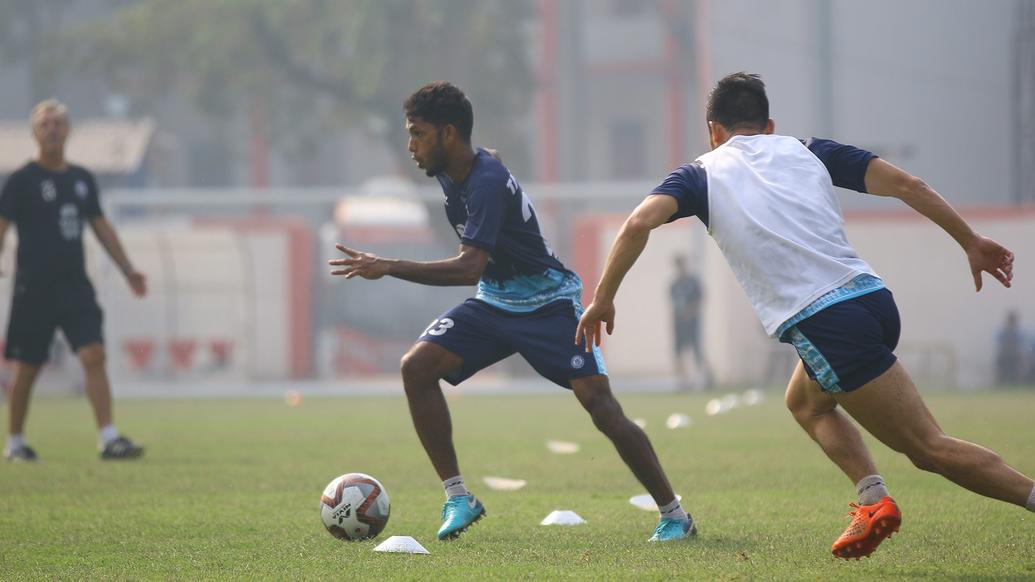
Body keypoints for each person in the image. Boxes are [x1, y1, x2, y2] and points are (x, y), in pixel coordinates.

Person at [576, 72, 1035, 559]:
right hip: (873, 300)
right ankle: (873, 500)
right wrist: (971, 241)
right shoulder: (808, 149)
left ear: (712, 130)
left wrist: (603, 297)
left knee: (928, 448)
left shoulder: (700, 174)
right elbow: (908, 184)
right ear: (769, 125)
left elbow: (638, 222)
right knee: (806, 402)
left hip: (826, 322)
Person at [329, 81, 694, 542]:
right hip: (494, 303)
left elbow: (468, 266)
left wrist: (388, 266)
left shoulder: (484, 183)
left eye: (417, 134)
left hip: (549, 305)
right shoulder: (455, 166)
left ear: (447, 133)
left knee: (602, 408)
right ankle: (458, 497)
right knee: (417, 368)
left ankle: (674, 513)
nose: (411, 146)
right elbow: (492, 156)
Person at [0, 99, 146, 462]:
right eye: (45, 124)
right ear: (35, 133)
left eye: (58, 123)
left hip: (74, 286)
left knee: (94, 353)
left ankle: (108, 438)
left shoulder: (81, 179)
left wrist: (128, 269)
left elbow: (100, 227)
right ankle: (15, 442)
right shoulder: (21, 181)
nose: (52, 129)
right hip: (33, 287)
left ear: (68, 131)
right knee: (28, 366)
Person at [670, 255, 711, 390]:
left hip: (692, 322)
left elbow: (700, 299)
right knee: (679, 352)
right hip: (679, 323)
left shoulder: (693, 282)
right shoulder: (674, 284)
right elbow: (673, 304)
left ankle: (705, 378)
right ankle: (684, 381)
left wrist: (690, 312)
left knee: (697, 350)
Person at [994, 310, 1025, 385]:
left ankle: (1013, 385)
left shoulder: (1016, 333)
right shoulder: (1005, 332)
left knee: (1013, 374)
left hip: (1012, 356)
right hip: (1006, 356)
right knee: (1004, 374)